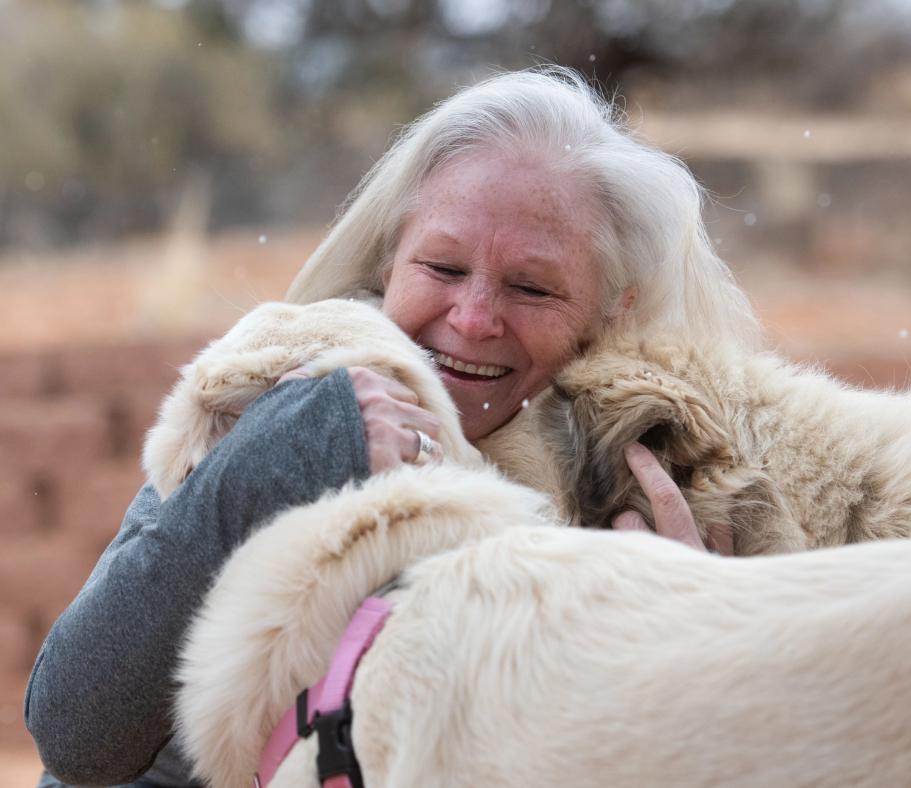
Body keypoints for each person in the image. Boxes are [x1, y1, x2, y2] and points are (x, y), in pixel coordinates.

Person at [25, 67, 753, 786]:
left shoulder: (652, 487)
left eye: (531, 288)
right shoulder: (284, 386)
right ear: (388, 259)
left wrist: (694, 640)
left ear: (610, 312)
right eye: (441, 267)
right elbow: (76, 733)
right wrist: (287, 449)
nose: (471, 320)